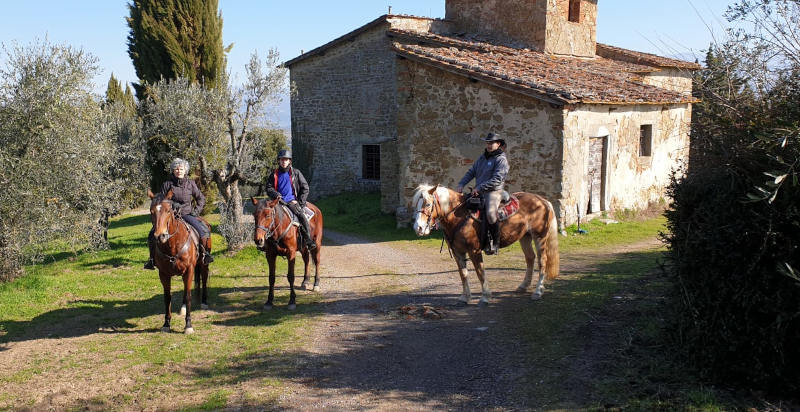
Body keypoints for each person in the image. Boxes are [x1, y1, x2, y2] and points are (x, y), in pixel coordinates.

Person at [144, 158, 214, 269]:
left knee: (203, 231)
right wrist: (171, 205)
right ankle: (152, 260)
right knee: (152, 235)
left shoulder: (190, 184)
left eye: (181, 169)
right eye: (176, 169)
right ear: (173, 170)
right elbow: (161, 201)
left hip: (187, 214)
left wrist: (196, 211)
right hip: (170, 216)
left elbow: (201, 198)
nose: (179, 171)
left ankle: (205, 255)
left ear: (185, 170)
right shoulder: (167, 184)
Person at [456, 132, 509, 255]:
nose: (489, 145)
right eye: (487, 143)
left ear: (498, 144)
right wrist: (461, 184)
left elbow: (497, 179)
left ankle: (495, 243)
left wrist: (479, 187)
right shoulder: (482, 158)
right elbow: (471, 172)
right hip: (479, 191)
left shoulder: (501, 159)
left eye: (492, 143)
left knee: (490, 214)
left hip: (494, 191)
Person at [265, 149, 317, 251]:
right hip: (278, 202)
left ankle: (308, 240)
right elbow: (269, 187)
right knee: (265, 216)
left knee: (301, 216)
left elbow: (305, 188)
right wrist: (276, 194)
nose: (284, 161)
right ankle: (264, 243)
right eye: (282, 159)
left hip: (291, 202)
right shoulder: (274, 174)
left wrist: (300, 202)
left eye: (286, 159)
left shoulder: (296, 173)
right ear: (279, 161)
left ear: (289, 161)